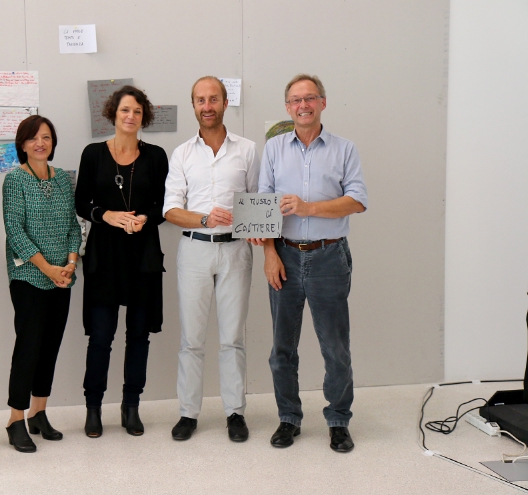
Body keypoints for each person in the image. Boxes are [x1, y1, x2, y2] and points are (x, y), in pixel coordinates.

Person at [252, 74, 367, 453]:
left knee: (335, 347)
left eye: (310, 98)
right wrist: (269, 254)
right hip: (283, 255)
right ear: (288, 107)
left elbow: (357, 200)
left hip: (329, 256)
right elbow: (263, 202)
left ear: (322, 103)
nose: (303, 105)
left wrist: (308, 208)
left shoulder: (345, 149)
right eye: (296, 100)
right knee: (281, 349)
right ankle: (289, 418)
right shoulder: (273, 148)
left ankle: (338, 420)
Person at [163, 76, 260, 442]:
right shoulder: (182, 154)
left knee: (233, 337)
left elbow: (257, 199)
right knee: (191, 339)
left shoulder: (247, 150)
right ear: (194, 105)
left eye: (213, 99)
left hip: (236, 250)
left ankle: (235, 413)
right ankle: (188, 413)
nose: (207, 106)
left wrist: (256, 227)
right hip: (195, 250)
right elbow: (171, 210)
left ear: (224, 102)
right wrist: (204, 219)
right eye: (200, 100)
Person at [75, 86, 169, 437]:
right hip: (104, 256)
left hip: (143, 255)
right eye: (125, 110)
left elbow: (165, 204)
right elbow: (81, 202)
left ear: (144, 118)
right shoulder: (93, 154)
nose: (131, 116)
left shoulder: (156, 156)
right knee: (101, 336)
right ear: (113, 114)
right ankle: (93, 407)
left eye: (137, 112)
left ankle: (131, 406)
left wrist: (144, 218)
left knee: (139, 336)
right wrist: (107, 215)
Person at [2, 115, 81, 453]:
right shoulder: (14, 180)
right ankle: (15, 419)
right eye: (33, 138)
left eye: (46, 137)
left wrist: (70, 264)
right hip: (29, 276)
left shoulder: (62, 178)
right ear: (22, 144)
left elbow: (74, 226)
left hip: (62, 277)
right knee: (29, 346)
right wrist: (47, 268)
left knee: (50, 346)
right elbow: (14, 231)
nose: (40, 143)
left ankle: (38, 413)